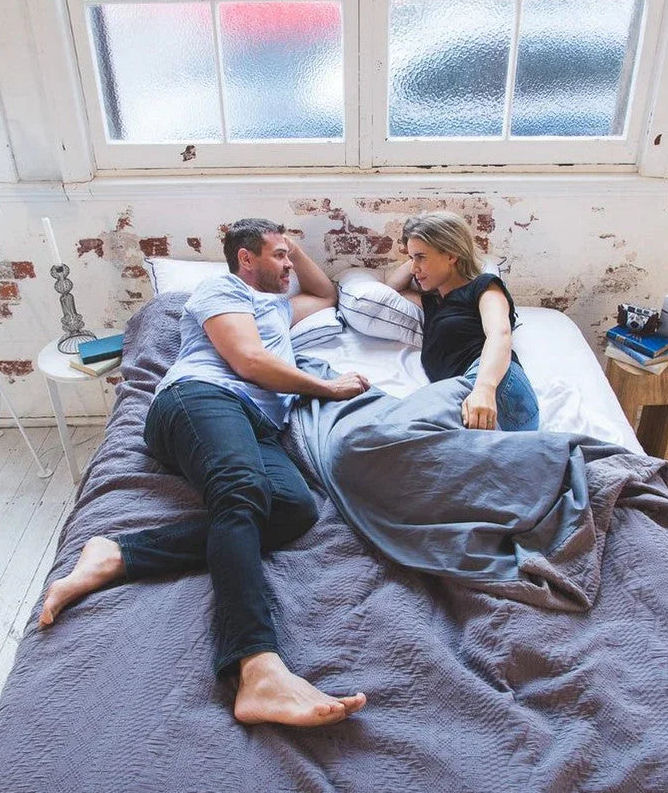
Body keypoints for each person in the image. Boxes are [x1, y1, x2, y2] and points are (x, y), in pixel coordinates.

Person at [38, 218, 370, 727]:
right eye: (278, 256)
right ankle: (257, 666)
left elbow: (326, 295)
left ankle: (119, 553)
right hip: (200, 399)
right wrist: (328, 387)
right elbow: (248, 361)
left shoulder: (279, 306)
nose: (288, 265)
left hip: (255, 423)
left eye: (288, 257)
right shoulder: (222, 289)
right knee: (241, 490)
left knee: (293, 509)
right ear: (245, 259)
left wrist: (292, 248)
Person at [385, 211, 539, 432]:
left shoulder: (484, 286)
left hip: (493, 388)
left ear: (451, 255)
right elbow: (392, 289)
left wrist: (484, 389)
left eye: (421, 257)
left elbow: (500, 332)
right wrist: (416, 254)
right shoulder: (432, 304)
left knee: (390, 428)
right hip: (462, 396)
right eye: (411, 258)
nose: (414, 268)